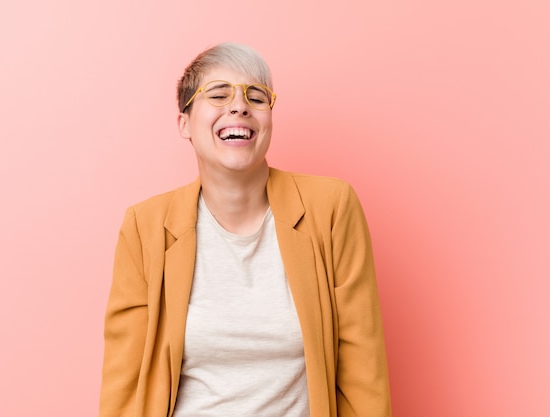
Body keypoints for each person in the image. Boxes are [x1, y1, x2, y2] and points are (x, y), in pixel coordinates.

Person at [99, 42, 391, 417]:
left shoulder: (331, 208)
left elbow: (362, 366)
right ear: (184, 123)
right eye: (218, 94)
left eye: (256, 97)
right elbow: (124, 381)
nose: (239, 106)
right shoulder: (146, 226)